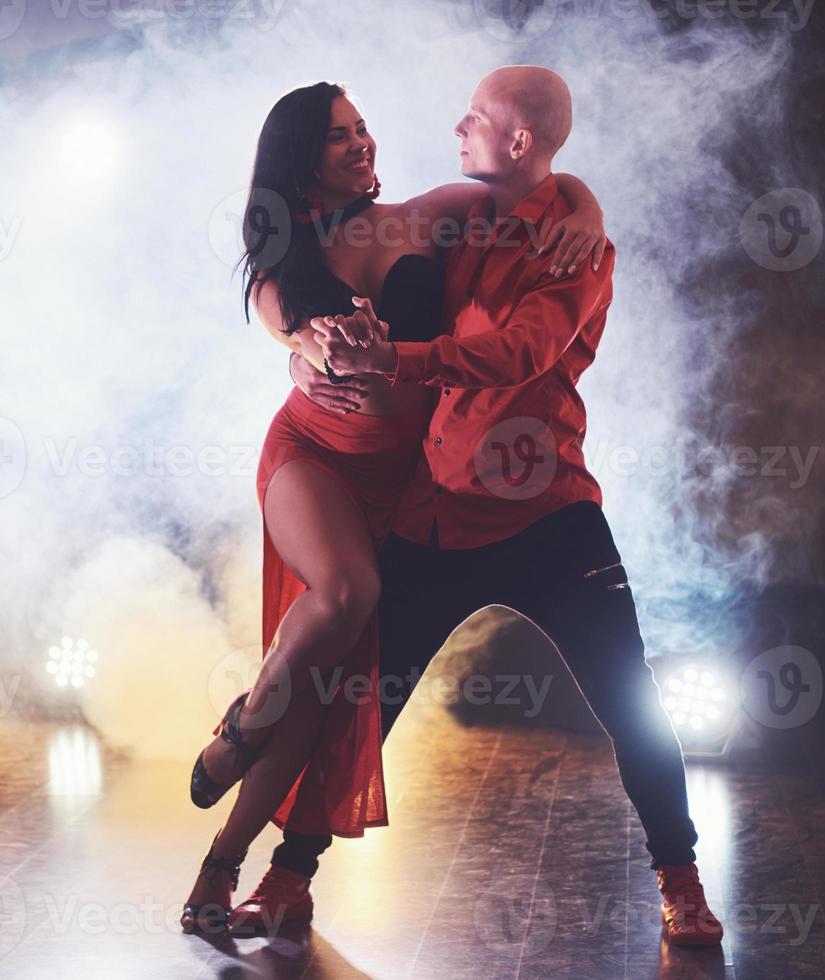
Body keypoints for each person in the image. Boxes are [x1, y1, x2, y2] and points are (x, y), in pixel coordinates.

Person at [257, 65, 725, 948]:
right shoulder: (459, 212)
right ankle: (287, 876)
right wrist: (297, 341)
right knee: (368, 694)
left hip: (549, 516)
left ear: (515, 141)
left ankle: (683, 883)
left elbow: (517, 353)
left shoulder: (581, 250)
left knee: (632, 703)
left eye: (474, 118)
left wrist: (389, 363)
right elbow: (303, 258)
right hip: (437, 510)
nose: (455, 127)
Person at [180, 79, 608, 934]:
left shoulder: (428, 215)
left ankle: (218, 872)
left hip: (398, 484)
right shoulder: (278, 274)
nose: (361, 144)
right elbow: (299, 338)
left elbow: (538, 186)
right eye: (340, 137)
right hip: (312, 459)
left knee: (330, 695)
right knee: (348, 594)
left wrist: (585, 215)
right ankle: (240, 724)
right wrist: (319, 352)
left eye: (363, 128)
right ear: (301, 164)